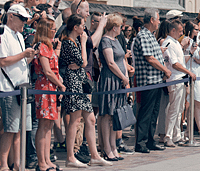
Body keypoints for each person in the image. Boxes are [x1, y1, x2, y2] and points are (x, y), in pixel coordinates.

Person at [59, 15, 109, 168]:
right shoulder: (68, 42)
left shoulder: (73, 42)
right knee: (74, 121)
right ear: (75, 27)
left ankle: (94, 155)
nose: (84, 28)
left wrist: (80, 61)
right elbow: (83, 62)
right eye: (82, 25)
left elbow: (81, 64)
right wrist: (82, 43)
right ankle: (70, 156)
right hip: (73, 84)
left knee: (90, 119)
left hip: (80, 83)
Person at [0, 3, 35, 171]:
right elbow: (2, 61)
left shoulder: (19, 36)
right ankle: (3, 163)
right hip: (9, 87)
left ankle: (18, 163)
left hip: (22, 86)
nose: (24, 23)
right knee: (10, 128)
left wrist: (30, 56)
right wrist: (23, 54)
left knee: (20, 129)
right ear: (11, 16)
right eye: (22, 19)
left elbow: (20, 62)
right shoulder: (3, 34)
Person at [133, 9, 172, 153]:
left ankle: (150, 139)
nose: (159, 22)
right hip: (148, 80)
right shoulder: (143, 35)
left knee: (154, 112)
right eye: (157, 19)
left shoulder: (150, 35)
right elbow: (149, 58)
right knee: (146, 112)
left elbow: (153, 55)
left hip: (156, 80)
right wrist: (165, 70)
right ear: (151, 20)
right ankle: (140, 142)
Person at [33, 18, 65, 171]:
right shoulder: (42, 47)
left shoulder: (49, 47)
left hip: (52, 87)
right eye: (52, 28)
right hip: (44, 86)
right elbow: (47, 71)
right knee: (43, 124)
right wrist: (61, 85)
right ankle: (41, 162)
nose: (54, 30)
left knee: (49, 124)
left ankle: (47, 159)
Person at [97, 14, 129, 162]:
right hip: (110, 80)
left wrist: (126, 76)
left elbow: (122, 59)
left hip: (120, 79)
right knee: (107, 114)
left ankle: (113, 146)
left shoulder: (116, 40)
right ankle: (107, 148)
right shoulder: (105, 40)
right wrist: (122, 77)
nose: (121, 29)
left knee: (115, 114)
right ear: (114, 27)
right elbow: (110, 62)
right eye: (120, 26)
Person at [159, 19, 194, 147]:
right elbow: (174, 64)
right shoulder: (169, 43)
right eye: (179, 31)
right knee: (174, 109)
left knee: (179, 109)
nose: (181, 34)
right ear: (173, 30)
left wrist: (190, 52)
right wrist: (188, 72)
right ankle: (168, 135)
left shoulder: (175, 43)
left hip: (180, 78)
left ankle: (176, 135)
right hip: (174, 78)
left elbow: (180, 61)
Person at [182, 13, 200, 145]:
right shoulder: (186, 41)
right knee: (191, 104)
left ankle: (189, 132)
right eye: (196, 30)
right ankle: (199, 133)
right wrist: (191, 51)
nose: (198, 32)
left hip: (198, 74)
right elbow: (183, 60)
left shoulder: (196, 41)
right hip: (189, 73)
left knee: (197, 103)